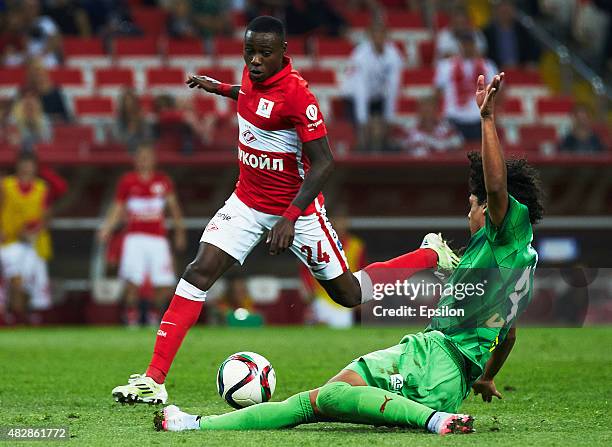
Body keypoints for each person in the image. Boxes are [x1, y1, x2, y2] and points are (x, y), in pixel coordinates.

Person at [153, 71, 545, 436]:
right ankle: (195, 423)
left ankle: (434, 420)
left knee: (326, 399)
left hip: (431, 359)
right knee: (326, 399)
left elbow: (496, 188)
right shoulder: (522, 270)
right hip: (450, 381)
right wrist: (486, 376)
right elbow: (507, 335)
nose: (471, 213)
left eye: (473, 205)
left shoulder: (503, 232)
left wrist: (487, 120)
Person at [111, 16, 460, 404]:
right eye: (250, 52)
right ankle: (154, 379)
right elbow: (252, 97)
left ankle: (431, 252)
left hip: (299, 211)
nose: (255, 60)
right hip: (246, 201)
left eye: (264, 53)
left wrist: (291, 217)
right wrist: (221, 88)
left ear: (283, 54)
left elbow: (326, 162)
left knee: (349, 293)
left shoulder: (299, 96)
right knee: (198, 271)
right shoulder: (250, 77)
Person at [98, 144, 187, 327]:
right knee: (132, 282)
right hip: (135, 239)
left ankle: (153, 315)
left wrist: (180, 232)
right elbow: (118, 207)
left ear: (154, 160)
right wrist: (107, 227)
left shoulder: (162, 181)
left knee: (164, 284)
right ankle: (131, 318)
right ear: (135, 160)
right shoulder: (128, 181)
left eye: (148, 156)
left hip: (158, 240)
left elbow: (174, 208)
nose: (144, 160)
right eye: (141, 156)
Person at [0, 152, 54, 323]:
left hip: (33, 243)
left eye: (30, 164)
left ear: (35, 167)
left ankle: (25, 318)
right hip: (9, 242)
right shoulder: (5, 185)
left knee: (31, 285)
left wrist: (34, 231)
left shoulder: (41, 188)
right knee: (14, 281)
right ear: (17, 166)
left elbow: (46, 217)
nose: (26, 168)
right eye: (23, 164)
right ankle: (14, 317)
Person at [341, 20, 403, 152]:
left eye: (382, 33)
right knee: (362, 135)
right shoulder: (360, 55)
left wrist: (389, 118)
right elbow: (360, 89)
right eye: (375, 33)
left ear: (386, 35)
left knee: (381, 131)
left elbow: (393, 87)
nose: (379, 37)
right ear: (370, 36)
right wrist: (363, 122)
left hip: (377, 95)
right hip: (353, 97)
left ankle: (384, 152)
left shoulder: (393, 55)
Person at [301, 210, 366, 328]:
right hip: (322, 296)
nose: (340, 224)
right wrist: (308, 288)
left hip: (345, 298)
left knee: (342, 331)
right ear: (330, 222)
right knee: (318, 330)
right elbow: (306, 267)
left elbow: (361, 269)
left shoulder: (356, 245)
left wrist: (361, 295)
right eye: (336, 221)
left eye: (342, 221)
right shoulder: (320, 242)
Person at [435, 31, 497, 141]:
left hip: (478, 119)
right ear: (459, 46)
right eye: (464, 44)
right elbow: (438, 92)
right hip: (454, 117)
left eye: (470, 44)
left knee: (478, 156)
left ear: (475, 45)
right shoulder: (446, 66)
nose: (467, 47)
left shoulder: (487, 65)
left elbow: (496, 91)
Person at [482, 0, 540, 69]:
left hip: (520, 70)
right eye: (502, 9)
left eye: (508, 8)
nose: (505, 11)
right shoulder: (487, 32)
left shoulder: (523, 31)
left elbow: (532, 51)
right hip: (497, 70)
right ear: (495, 11)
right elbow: (485, 55)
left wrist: (530, 63)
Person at [397, 96, 463, 156]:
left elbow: (458, 146)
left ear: (436, 110)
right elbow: (400, 149)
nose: (427, 113)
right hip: (415, 166)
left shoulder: (447, 128)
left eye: (429, 109)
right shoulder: (408, 128)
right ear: (418, 111)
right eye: (424, 110)